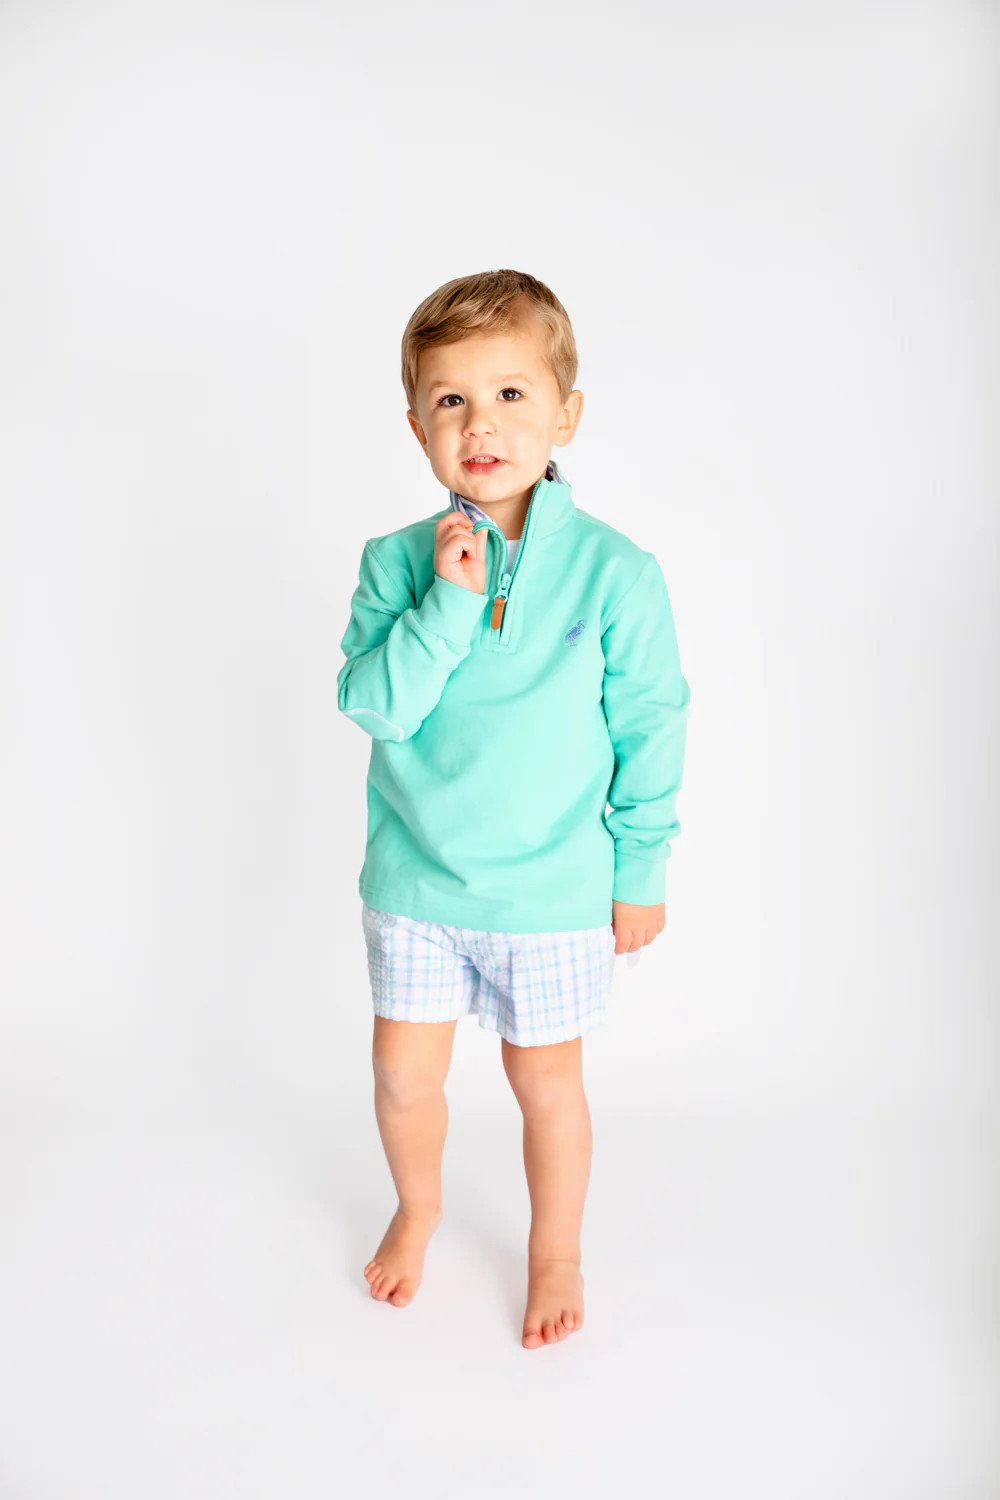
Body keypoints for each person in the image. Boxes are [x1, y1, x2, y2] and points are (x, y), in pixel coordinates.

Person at [337, 268, 690, 1348]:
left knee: (546, 1085)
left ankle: (553, 1254)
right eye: (450, 401)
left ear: (564, 414)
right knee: (402, 1075)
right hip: (419, 881)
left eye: (509, 395)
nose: (479, 424)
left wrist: (639, 871)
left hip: (552, 890)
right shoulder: (396, 562)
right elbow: (376, 706)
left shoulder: (616, 572)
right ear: (418, 428)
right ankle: (419, 1209)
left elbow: (652, 724)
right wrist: (446, 606)